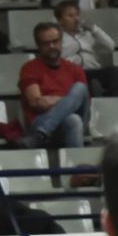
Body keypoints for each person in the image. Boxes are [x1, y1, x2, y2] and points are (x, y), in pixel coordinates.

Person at [18, 22, 90, 150]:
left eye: (55, 41)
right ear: (38, 45)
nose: (51, 46)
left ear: (61, 41)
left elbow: (82, 102)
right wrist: (69, 101)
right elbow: (37, 103)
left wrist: (56, 100)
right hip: (41, 119)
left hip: (70, 119)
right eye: (46, 43)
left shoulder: (75, 69)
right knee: (72, 119)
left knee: (80, 88)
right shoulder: (29, 68)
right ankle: (78, 169)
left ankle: (42, 134)